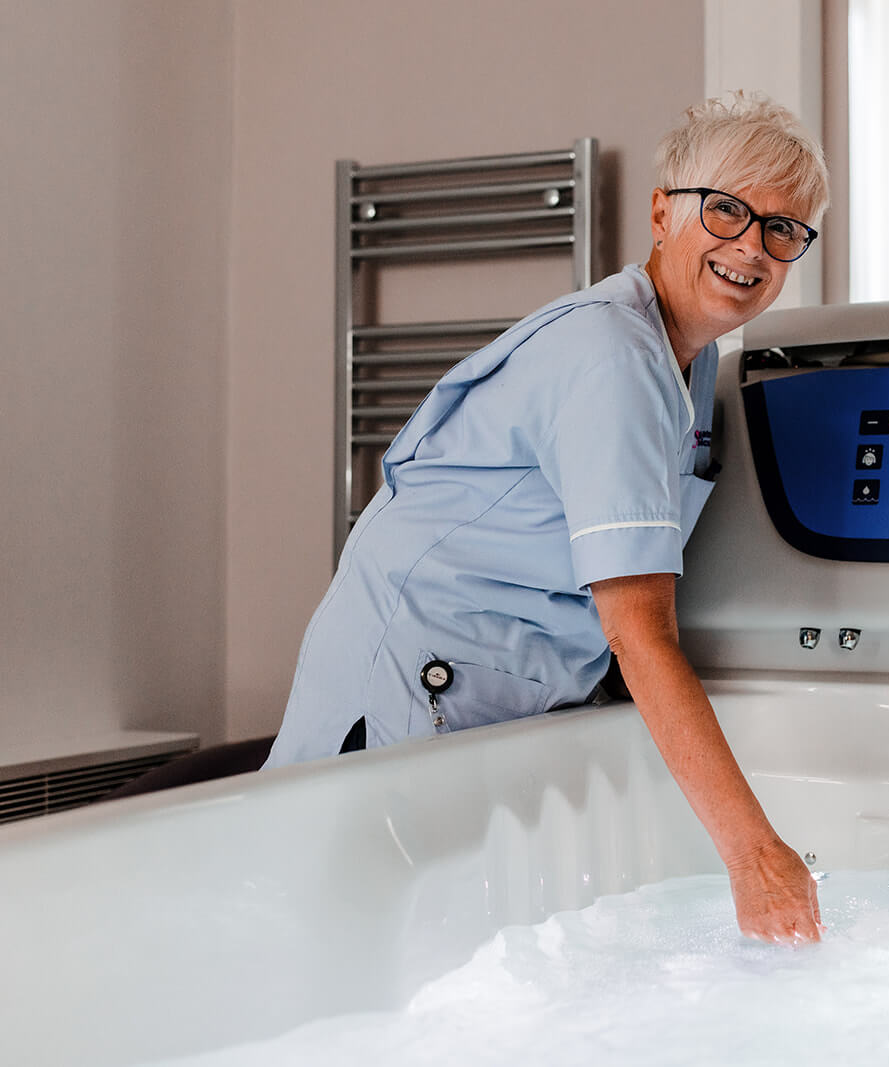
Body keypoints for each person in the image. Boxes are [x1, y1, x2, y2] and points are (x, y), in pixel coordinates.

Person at [264, 93, 829, 945]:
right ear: (662, 214)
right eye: (726, 210)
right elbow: (640, 632)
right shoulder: (613, 357)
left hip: (484, 695)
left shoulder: (687, 357)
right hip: (406, 688)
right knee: (334, 945)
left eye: (783, 229)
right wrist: (755, 856)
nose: (752, 245)